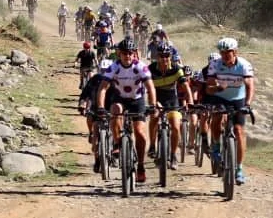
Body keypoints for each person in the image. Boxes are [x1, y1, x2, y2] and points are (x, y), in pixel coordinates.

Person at [96, 38, 156, 183]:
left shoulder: (141, 67)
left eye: (130, 53)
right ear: (119, 54)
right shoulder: (114, 67)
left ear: (134, 53)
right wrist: (100, 107)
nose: (127, 56)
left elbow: (150, 87)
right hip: (120, 98)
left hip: (137, 100)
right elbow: (103, 88)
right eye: (124, 53)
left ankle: (141, 166)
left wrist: (153, 105)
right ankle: (117, 144)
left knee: (140, 133)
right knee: (115, 110)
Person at [203, 37, 255, 185]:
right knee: (217, 119)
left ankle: (239, 169)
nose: (225, 55)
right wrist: (218, 88)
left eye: (229, 52)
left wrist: (248, 104)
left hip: (238, 98)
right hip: (219, 97)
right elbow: (209, 88)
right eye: (222, 52)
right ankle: (215, 146)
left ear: (235, 52)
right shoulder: (215, 64)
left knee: (239, 131)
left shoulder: (244, 65)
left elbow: (250, 85)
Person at [148, 43, 194, 169]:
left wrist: (190, 102)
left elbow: (185, 87)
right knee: (154, 117)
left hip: (171, 101)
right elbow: (146, 88)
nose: (164, 59)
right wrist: (153, 102)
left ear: (170, 56)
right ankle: (152, 146)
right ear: (157, 57)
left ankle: (173, 155)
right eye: (161, 56)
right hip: (156, 99)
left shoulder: (176, 69)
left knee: (175, 125)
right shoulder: (150, 69)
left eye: (167, 56)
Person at [79, 59, 118, 173]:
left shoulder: (116, 80)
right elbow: (85, 92)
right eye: (103, 70)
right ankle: (97, 160)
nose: (105, 73)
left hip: (112, 108)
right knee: (95, 134)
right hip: (97, 108)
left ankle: (117, 151)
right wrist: (82, 103)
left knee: (117, 128)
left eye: (107, 70)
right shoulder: (94, 79)